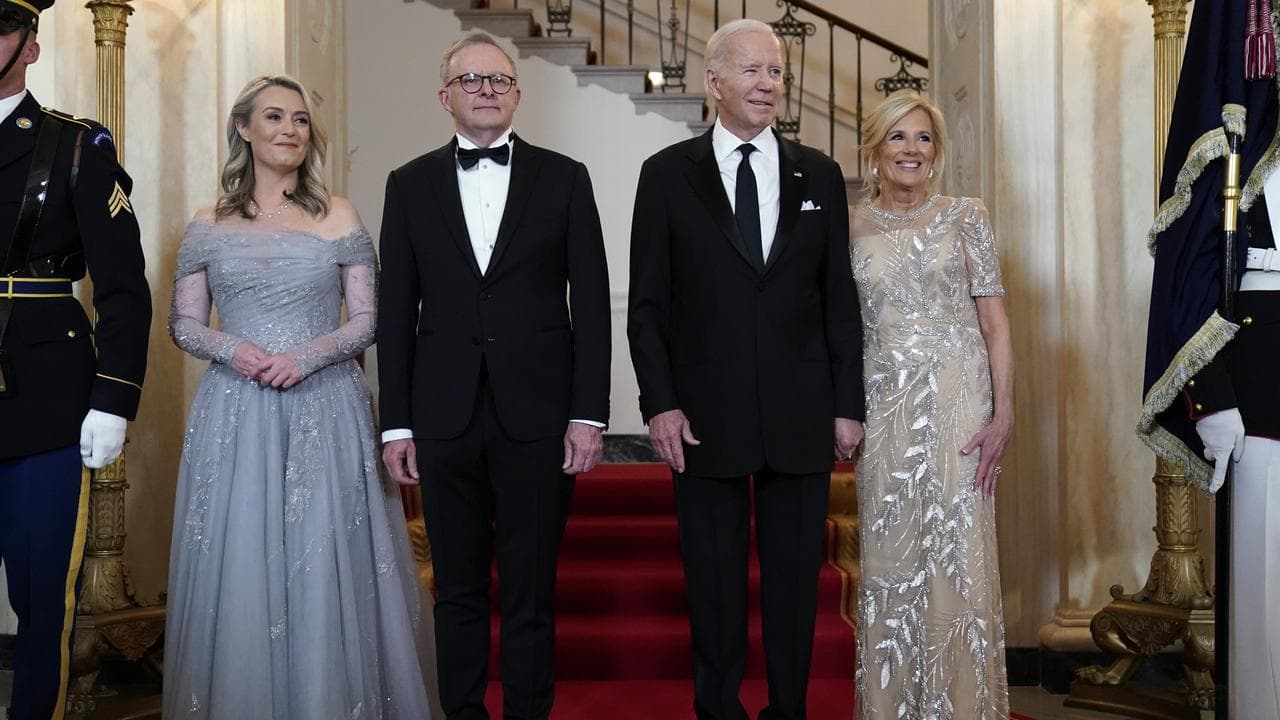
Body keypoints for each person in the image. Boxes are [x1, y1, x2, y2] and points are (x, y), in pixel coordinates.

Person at [162, 75, 435, 719]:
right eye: (275, 117)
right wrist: (237, 350)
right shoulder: (209, 222)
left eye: (301, 120)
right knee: (242, 557)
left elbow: (369, 320)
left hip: (325, 404)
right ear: (244, 130)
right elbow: (184, 322)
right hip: (236, 406)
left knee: (323, 552)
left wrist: (304, 357)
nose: (289, 129)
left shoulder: (338, 214)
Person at [627, 18, 864, 720]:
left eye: (777, 72)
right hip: (703, 417)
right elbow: (647, 306)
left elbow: (838, 301)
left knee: (794, 588)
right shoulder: (666, 176)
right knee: (715, 584)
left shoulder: (817, 173)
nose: (768, 84)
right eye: (754, 70)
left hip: (802, 413)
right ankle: (719, 709)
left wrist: (847, 403)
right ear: (714, 81)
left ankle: (786, 711)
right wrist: (660, 404)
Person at [377, 32, 611, 720]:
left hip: (539, 415)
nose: (486, 89)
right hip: (442, 414)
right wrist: (397, 421)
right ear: (445, 95)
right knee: (456, 589)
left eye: (499, 79)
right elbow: (396, 312)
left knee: (531, 590)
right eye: (471, 79)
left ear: (516, 92)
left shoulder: (565, 177)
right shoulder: (409, 183)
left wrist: (587, 413)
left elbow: (591, 303)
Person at [0, 1, 151, 717]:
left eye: (0, 26)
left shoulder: (74, 146)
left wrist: (114, 397)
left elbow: (122, 287)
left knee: (40, 598)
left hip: (48, 401)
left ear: (30, 46)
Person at [847, 91, 1012, 718]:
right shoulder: (849, 225)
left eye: (923, 139)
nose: (912, 150)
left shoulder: (967, 215)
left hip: (960, 407)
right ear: (874, 148)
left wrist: (1004, 413)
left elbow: (995, 324)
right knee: (891, 561)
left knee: (958, 560)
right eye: (898, 137)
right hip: (885, 406)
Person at [1137, 1, 1279, 713]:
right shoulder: (1236, 150)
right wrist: (1213, 396)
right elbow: (1196, 284)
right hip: (1264, 402)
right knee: (1265, 611)